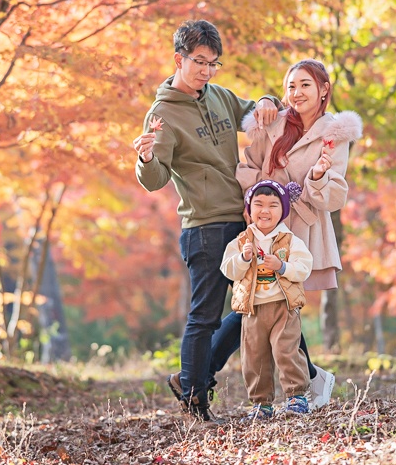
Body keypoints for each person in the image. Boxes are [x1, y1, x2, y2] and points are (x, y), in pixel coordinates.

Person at [132, 21, 332, 421]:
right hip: (205, 226)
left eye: (213, 63)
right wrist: (146, 156)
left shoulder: (219, 95)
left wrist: (264, 99)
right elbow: (154, 181)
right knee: (205, 315)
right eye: (199, 62)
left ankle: (300, 380)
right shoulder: (163, 115)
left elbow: (257, 110)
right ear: (179, 59)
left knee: (265, 300)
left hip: (243, 222)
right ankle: (195, 397)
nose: (206, 70)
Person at [237, 59, 362, 396]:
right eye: (291, 86)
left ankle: (298, 388)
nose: (297, 93)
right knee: (262, 302)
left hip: (302, 231)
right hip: (265, 226)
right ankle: (311, 381)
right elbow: (247, 164)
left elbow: (333, 197)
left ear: (324, 89)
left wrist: (319, 176)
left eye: (306, 85)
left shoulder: (334, 134)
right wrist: (258, 198)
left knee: (272, 303)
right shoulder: (273, 124)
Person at [221, 180, 314, 419]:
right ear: (249, 210)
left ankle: (296, 397)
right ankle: (261, 404)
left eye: (273, 205)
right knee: (254, 357)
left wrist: (282, 266)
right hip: (252, 309)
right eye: (258, 204)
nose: (265, 210)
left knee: (286, 351)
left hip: (283, 306)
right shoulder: (241, 241)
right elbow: (228, 270)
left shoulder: (289, 239)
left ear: (282, 211)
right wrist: (243, 258)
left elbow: (304, 268)